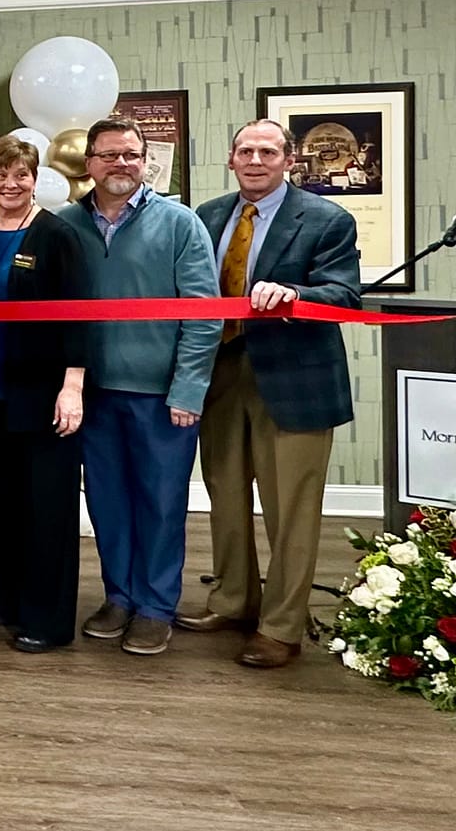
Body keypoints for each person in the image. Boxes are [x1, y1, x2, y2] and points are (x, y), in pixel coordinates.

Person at [180, 119, 360, 669]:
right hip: (222, 375)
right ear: (230, 159)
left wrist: (295, 293)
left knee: (292, 512)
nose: (254, 160)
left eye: (267, 151)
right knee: (225, 496)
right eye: (244, 150)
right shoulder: (207, 217)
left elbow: (345, 294)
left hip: (294, 380)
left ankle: (281, 627)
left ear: (288, 160)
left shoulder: (327, 219)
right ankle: (234, 600)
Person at [57, 117, 220, 657]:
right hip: (93, 394)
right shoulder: (65, 226)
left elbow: (205, 314)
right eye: (108, 155)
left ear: (145, 160)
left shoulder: (180, 224)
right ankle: (120, 596)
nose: (120, 164)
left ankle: (155, 607)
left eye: (130, 154)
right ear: (89, 165)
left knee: (161, 503)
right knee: (106, 503)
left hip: (161, 397)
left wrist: (188, 388)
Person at [0, 136, 90, 654]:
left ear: (34, 178)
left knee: (47, 509)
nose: (10, 185)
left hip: (45, 393)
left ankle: (49, 618)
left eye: (21, 175)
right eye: (0, 176)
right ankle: (8, 598)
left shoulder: (57, 235)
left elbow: (79, 318)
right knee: (1, 503)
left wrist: (73, 386)